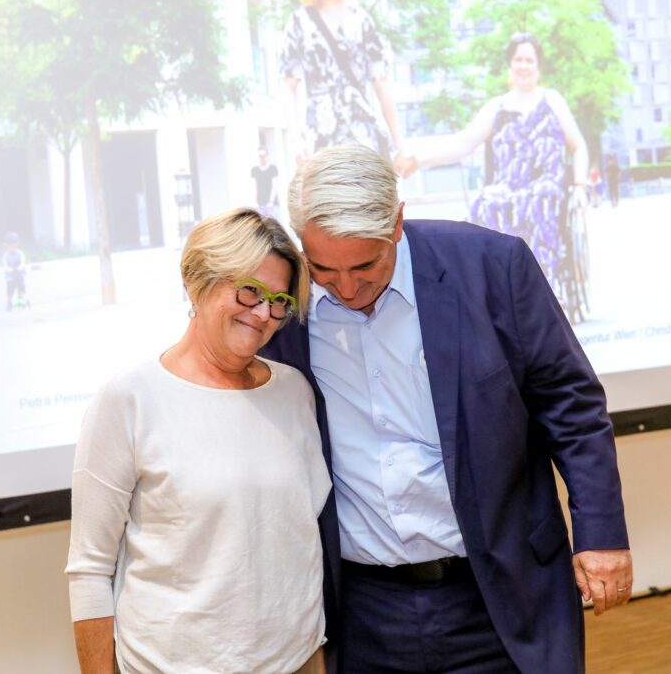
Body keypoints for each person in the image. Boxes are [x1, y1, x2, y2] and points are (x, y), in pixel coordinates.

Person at [261, 145, 631, 673]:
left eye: (366, 266)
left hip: (499, 591)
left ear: (397, 223)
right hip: (363, 612)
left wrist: (602, 533)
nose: (346, 288)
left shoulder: (490, 266)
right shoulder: (284, 304)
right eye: (324, 268)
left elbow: (569, 404)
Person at [66, 209, 330, 674]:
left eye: (278, 300)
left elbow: (295, 543)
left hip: (297, 660)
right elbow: (89, 571)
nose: (264, 314)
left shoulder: (294, 392)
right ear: (197, 282)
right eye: (249, 291)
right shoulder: (129, 400)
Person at [395, 34, 589, 304]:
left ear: (538, 66)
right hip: (507, 187)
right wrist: (421, 159)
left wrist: (580, 186)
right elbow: (462, 143)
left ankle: (543, 282)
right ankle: (498, 289)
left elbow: (578, 145)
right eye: (518, 59)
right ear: (510, 65)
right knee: (485, 203)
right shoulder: (497, 107)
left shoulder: (552, 100)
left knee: (538, 199)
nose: (523, 65)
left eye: (529, 60)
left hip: (546, 185)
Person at [280, 0, 402, 163]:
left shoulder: (362, 20)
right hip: (322, 140)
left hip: (363, 138)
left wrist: (399, 146)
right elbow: (288, 86)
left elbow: (381, 85)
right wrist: (295, 140)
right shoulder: (299, 22)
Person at [2, 231, 29, 311]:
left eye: (14, 245)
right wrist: (8, 269)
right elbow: (4, 264)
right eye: (10, 245)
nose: (12, 247)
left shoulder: (19, 253)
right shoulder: (5, 255)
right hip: (10, 276)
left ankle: (22, 300)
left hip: (19, 274)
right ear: (6, 245)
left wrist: (20, 266)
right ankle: (9, 303)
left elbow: (23, 261)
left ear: (17, 244)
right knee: (10, 289)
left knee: (21, 287)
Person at [251, 146, 280, 217]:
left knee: (273, 225)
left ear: (267, 156)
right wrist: (255, 202)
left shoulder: (273, 168)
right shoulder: (254, 170)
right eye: (260, 156)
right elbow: (254, 186)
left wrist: (271, 201)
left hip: (272, 204)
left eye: (263, 156)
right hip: (260, 203)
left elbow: (274, 185)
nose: (262, 158)